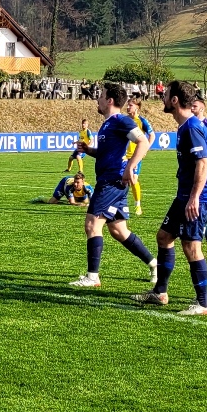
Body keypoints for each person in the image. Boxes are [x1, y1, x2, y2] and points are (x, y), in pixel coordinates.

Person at [134, 81, 207, 315]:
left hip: (197, 198)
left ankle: (203, 304)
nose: (163, 97)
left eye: (166, 94)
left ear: (175, 100)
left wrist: (194, 198)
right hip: (185, 196)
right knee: (164, 236)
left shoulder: (192, 127)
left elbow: (203, 163)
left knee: (191, 246)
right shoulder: (184, 127)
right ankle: (160, 292)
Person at [69, 81, 156, 289]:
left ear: (109, 100)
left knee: (92, 225)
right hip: (112, 181)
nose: (97, 99)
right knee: (118, 230)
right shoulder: (107, 124)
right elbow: (106, 153)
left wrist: (130, 167)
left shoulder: (121, 120)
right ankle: (155, 265)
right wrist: (88, 150)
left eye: (101, 96)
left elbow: (143, 142)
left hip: (111, 182)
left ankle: (92, 277)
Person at [124, 97, 155, 216]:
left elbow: (152, 135)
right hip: (123, 156)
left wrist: (145, 148)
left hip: (135, 156)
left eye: (130, 105)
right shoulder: (124, 120)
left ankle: (138, 205)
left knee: (133, 179)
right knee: (121, 180)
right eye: (127, 105)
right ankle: (120, 204)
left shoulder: (142, 121)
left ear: (137, 107)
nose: (128, 107)